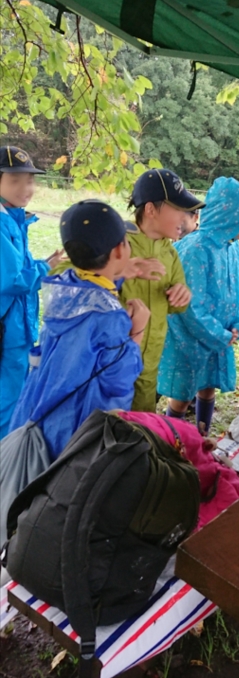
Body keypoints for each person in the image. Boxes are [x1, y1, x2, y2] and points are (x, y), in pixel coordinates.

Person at [10, 200, 148, 460]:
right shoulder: (109, 317)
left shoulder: (63, 289)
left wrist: (118, 274)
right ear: (119, 250)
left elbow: (91, 286)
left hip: (39, 419)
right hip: (77, 435)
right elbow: (118, 384)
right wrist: (136, 332)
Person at [157, 176, 239, 434]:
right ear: (231, 217)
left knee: (208, 386)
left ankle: (201, 438)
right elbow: (189, 306)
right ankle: (171, 443)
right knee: (183, 393)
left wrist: (236, 327)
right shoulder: (196, 249)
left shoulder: (231, 247)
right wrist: (219, 334)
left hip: (219, 337)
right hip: (191, 339)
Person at [121, 169, 203, 412]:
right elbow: (67, 274)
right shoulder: (115, 239)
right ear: (150, 210)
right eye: (179, 209)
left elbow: (178, 304)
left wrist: (182, 294)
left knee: (141, 430)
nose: (186, 217)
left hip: (149, 366)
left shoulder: (170, 253)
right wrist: (121, 270)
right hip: (111, 363)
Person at [0, 146, 65, 438]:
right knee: (7, 403)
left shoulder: (14, 217)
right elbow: (12, 279)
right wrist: (46, 268)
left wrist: (41, 264)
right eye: (15, 180)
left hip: (17, 326)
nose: (26, 188)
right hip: (7, 330)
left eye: (29, 180)